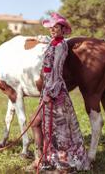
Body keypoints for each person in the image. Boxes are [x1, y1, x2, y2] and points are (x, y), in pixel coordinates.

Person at [27, 13, 91, 172]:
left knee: (60, 130)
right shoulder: (53, 43)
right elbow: (49, 47)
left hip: (55, 91)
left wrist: (50, 93)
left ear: (63, 29)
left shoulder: (61, 46)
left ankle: (63, 165)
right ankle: (41, 158)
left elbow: (56, 71)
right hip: (47, 89)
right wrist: (41, 39)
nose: (52, 30)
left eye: (56, 27)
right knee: (36, 123)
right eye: (51, 28)